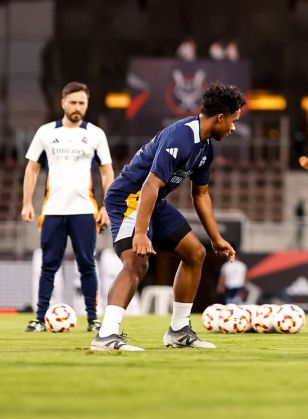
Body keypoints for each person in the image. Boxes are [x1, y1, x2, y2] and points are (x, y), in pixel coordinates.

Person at [91, 83, 243, 351]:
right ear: (220, 117)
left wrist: (216, 238)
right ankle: (105, 335)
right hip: (129, 197)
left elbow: (201, 195)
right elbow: (149, 184)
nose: (233, 128)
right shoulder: (180, 137)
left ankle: (179, 331)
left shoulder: (205, 148)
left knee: (196, 253)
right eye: (233, 120)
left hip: (154, 201)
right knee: (137, 263)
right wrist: (140, 232)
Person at [21, 82, 114, 333]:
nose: (77, 107)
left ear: (87, 104)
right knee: (49, 265)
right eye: (72, 102)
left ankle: (93, 318)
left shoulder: (95, 134)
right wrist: (27, 202)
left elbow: (107, 173)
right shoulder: (46, 133)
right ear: (63, 103)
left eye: (81, 103)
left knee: (87, 264)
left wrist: (107, 205)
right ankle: (39, 318)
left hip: (85, 210)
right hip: (52, 210)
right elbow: (32, 167)